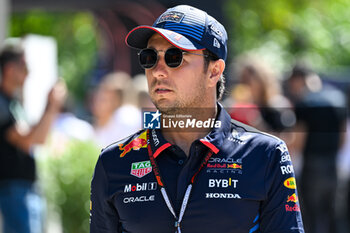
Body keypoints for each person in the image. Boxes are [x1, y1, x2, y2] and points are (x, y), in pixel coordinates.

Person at [90, 5, 304, 233]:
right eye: (149, 57)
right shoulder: (113, 162)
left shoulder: (266, 155)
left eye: (174, 57)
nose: (158, 71)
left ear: (214, 71)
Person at [0, 42, 66, 233]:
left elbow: (38, 139)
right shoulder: (3, 103)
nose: (28, 74)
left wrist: (51, 106)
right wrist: (50, 105)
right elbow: (26, 141)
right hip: (13, 189)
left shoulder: (13, 102)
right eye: (25, 67)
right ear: (11, 69)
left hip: (24, 188)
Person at [286, 65, 346, 233]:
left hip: (312, 169)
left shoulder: (305, 103)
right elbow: (343, 139)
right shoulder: (338, 99)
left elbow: (298, 142)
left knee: (310, 219)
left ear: (299, 80)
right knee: (334, 218)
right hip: (333, 167)